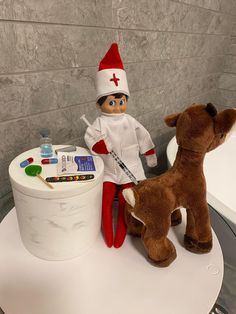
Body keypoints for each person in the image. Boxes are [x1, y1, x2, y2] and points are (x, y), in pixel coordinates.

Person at [84, 43, 157, 248]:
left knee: (127, 203)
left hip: (129, 168)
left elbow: (143, 136)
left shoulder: (130, 121)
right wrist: (99, 146)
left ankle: (120, 237)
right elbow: (90, 138)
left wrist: (149, 153)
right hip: (108, 169)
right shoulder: (98, 123)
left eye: (122, 101)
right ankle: (108, 236)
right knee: (105, 201)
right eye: (112, 103)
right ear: (99, 104)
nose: (118, 107)